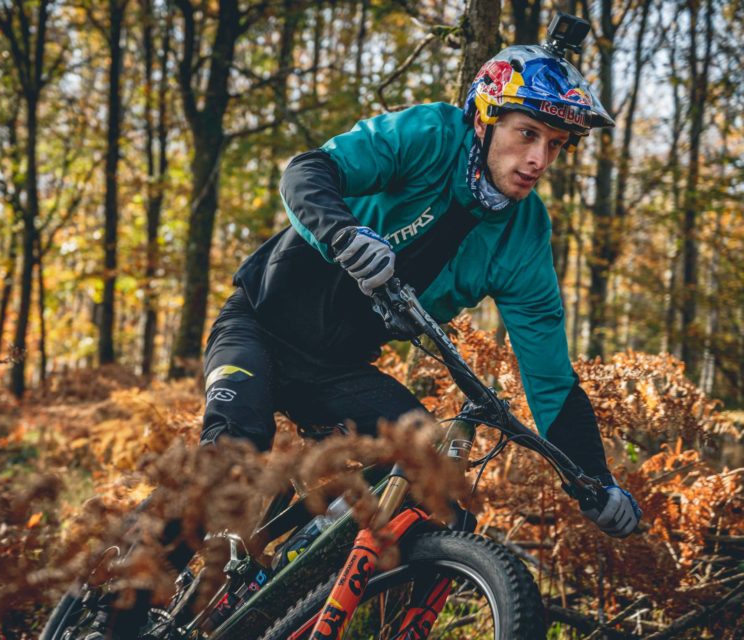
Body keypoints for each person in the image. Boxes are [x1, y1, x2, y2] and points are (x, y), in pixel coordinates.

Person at [200, 40, 642, 537]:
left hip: (337, 371)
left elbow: (551, 380)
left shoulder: (525, 235)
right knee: (232, 456)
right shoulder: (430, 135)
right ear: (485, 119)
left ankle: (307, 558)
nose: (538, 159)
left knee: (432, 475)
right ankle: (134, 575)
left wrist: (595, 481)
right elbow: (308, 171)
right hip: (259, 325)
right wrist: (344, 234)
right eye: (527, 134)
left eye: (555, 144)